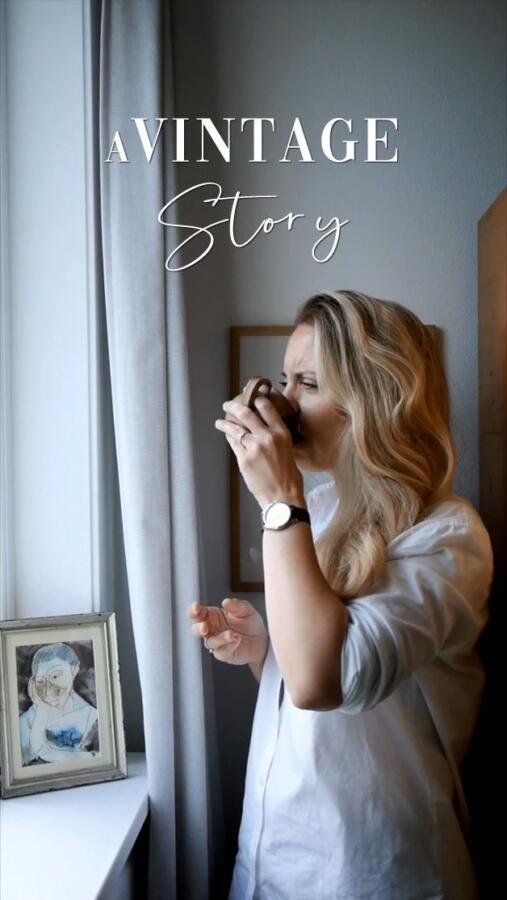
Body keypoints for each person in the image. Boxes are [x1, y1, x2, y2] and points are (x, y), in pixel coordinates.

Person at [187, 289, 493, 900]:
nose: (285, 403)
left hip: (373, 873)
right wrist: (264, 653)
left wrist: (279, 500)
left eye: (308, 383)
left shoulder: (447, 535)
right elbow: (305, 681)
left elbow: (324, 683)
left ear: (374, 401)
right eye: (284, 379)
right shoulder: (319, 509)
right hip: (272, 859)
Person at [19, 642, 99, 765]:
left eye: (55, 676)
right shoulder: (28, 719)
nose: (48, 690)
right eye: (41, 682)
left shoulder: (93, 718)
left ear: (73, 670)